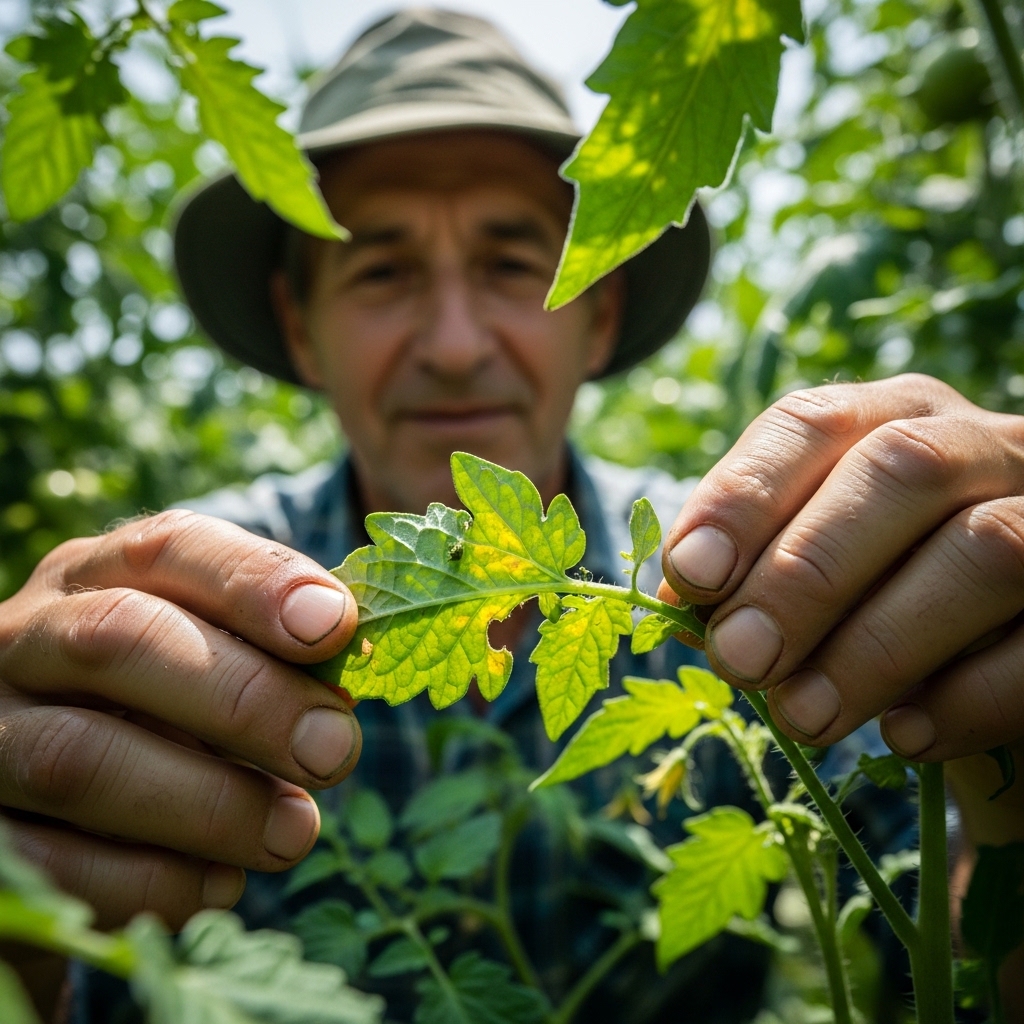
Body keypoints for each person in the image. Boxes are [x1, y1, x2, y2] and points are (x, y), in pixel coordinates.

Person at [0, 7, 1021, 1021]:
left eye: (510, 264)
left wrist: (993, 763)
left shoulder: (756, 578)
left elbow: (960, 977)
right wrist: (21, 906)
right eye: (383, 269)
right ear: (299, 328)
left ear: (599, 313)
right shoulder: (184, 621)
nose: (454, 345)